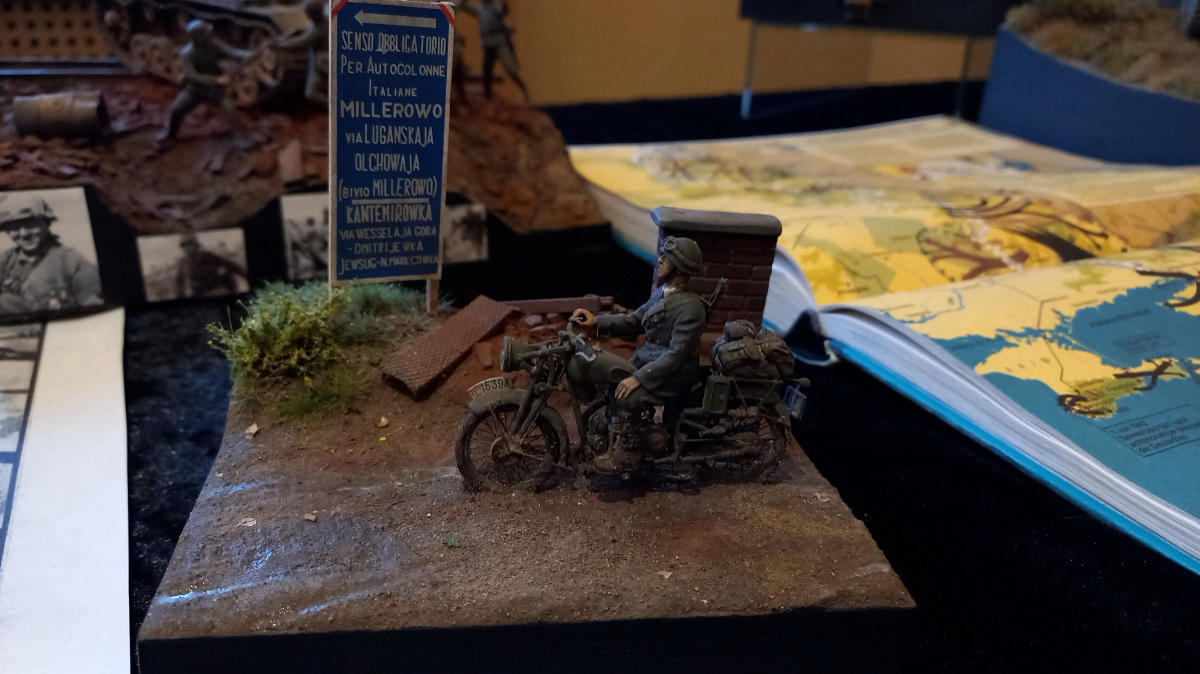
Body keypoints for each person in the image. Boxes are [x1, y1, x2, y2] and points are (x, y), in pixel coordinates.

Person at [571, 236, 707, 472]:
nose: (660, 259)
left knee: (627, 396)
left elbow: (675, 355)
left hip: (673, 374)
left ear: (680, 267)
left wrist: (639, 378)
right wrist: (596, 324)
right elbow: (634, 320)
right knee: (612, 379)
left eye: (667, 258)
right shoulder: (663, 293)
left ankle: (628, 452)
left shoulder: (691, 308)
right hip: (650, 362)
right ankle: (612, 431)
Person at [156, 19, 253, 143]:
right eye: (206, 34)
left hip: (216, 90)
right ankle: (170, 134)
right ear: (198, 38)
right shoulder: (187, 54)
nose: (209, 35)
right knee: (176, 109)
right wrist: (216, 80)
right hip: (196, 90)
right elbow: (193, 76)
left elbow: (233, 53)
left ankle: (239, 136)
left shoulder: (213, 44)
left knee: (230, 109)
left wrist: (248, 54)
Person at [0, 197, 102, 314]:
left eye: (30, 224)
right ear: (7, 230)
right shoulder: (6, 260)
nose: (23, 234)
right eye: (14, 227)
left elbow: (95, 310)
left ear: (47, 223)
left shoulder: (73, 262)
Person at [459, 0, 530, 102]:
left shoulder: (496, 7)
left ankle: (524, 91)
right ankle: (487, 96)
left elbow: (504, 10)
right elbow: (464, 7)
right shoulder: (480, 9)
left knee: (511, 69)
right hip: (487, 42)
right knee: (487, 70)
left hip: (499, 42)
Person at [175, 233, 247, 298]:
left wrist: (244, 274)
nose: (186, 249)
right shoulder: (183, 263)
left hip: (214, 290)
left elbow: (229, 264)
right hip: (197, 293)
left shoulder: (207, 256)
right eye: (184, 246)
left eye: (189, 245)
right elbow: (179, 282)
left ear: (195, 245)